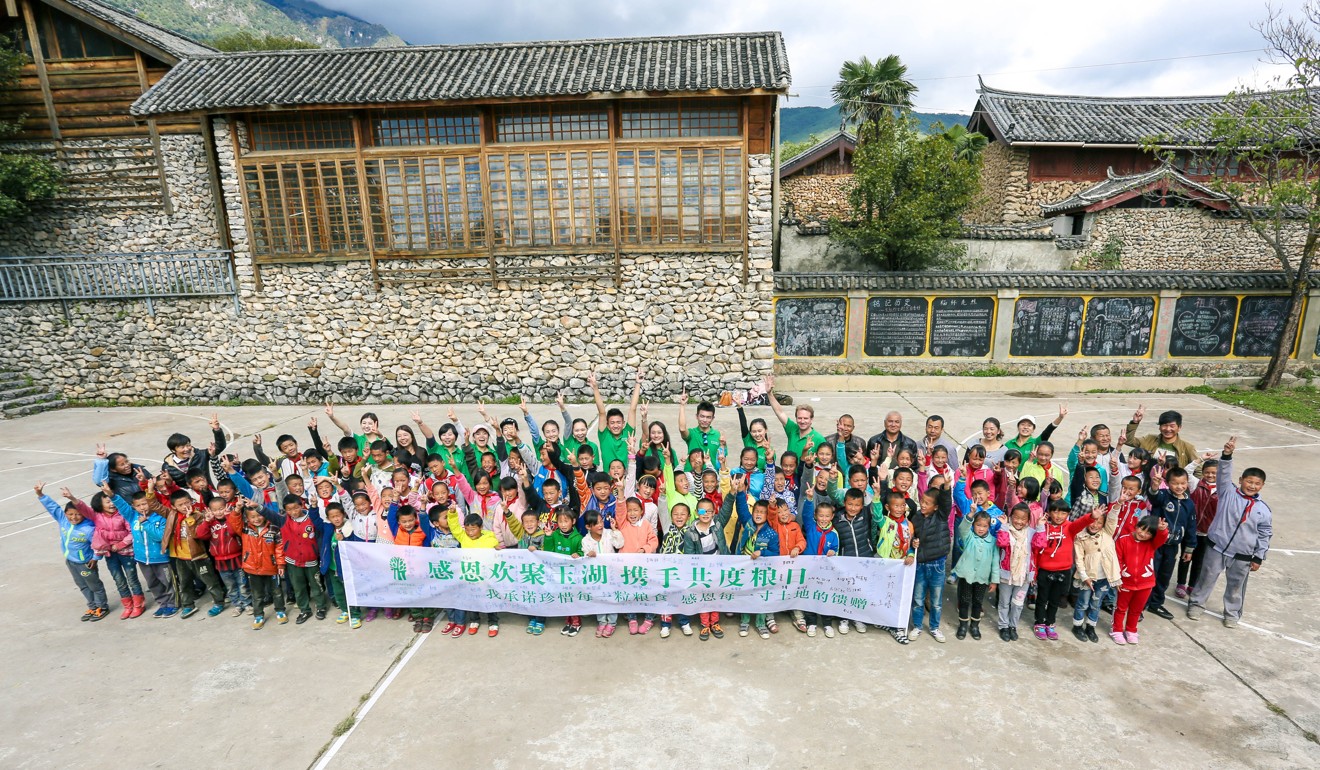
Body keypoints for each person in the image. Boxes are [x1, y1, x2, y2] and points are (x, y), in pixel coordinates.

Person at [1187, 437, 1272, 628]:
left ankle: (1231, 613)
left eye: (1257, 483)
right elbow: (1223, 474)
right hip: (1217, 547)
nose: (1252, 486)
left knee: (1236, 586)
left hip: (1242, 555)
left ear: (1262, 486)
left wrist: (1258, 557)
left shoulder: (1263, 509)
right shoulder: (1227, 493)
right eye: (1249, 481)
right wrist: (1227, 455)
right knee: (1206, 577)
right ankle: (1196, 604)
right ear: (1241, 480)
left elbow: (1265, 535)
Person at [36, 482, 108, 621]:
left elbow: (99, 544)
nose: (74, 517)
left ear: (84, 515)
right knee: (82, 585)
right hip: (71, 561)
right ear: (65, 514)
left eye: (78, 514)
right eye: (70, 514)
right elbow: (53, 507)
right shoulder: (63, 520)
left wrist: (95, 558)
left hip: (86, 563)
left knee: (94, 586)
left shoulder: (89, 528)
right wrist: (40, 494)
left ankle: (102, 607)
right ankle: (92, 606)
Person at [1031, 500, 1099, 641]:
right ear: (1049, 512)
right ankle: (1039, 623)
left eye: (1063, 512)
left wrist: (1092, 517)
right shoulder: (1043, 527)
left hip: (1063, 571)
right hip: (1045, 570)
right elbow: (1036, 548)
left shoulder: (1070, 528)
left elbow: (1081, 523)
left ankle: (1050, 623)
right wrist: (1035, 571)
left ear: (1068, 514)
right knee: (1042, 599)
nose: (1059, 515)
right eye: (1055, 511)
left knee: (1055, 600)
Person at [77, 485, 144, 619]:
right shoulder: (96, 516)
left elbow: (132, 533)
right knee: (119, 580)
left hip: (127, 553)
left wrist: (120, 544)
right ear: (99, 505)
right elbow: (82, 508)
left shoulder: (123, 515)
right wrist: (71, 498)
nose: (112, 504)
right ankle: (128, 605)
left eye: (112, 501)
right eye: (107, 502)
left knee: (132, 579)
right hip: (110, 554)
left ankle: (138, 604)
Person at [263, 494, 329, 625]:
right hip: (292, 561)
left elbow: (319, 526)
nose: (293, 512)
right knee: (298, 588)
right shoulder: (284, 520)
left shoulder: (311, 518)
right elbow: (269, 514)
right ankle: (305, 609)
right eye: (289, 509)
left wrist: (314, 506)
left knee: (316, 586)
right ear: (285, 510)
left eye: (295, 508)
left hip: (311, 560)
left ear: (301, 505)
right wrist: (257, 507)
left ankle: (321, 607)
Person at [162, 489, 227, 619]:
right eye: (180, 505)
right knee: (184, 582)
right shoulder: (172, 515)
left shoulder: (198, 516)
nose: (185, 506)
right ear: (174, 507)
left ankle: (219, 602)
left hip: (198, 556)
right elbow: (154, 505)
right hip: (180, 557)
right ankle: (188, 605)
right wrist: (150, 490)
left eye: (187, 502)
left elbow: (198, 534)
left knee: (210, 580)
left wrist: (189, 518)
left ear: (191, 501)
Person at [1144, 465, 1197, 621]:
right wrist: (1154, 485)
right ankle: (1141, 604)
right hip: (1155, 544)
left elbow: (1191, 527)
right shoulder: (1163, 496)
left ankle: (1156, 603)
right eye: (1175, 483)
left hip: (1172, 547)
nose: (1179, 487)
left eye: (1183, 483)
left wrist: (1189, 549)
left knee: (1164, 576)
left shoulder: (1189, 504)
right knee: (1149, 574)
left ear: (1187, 483)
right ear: (1167, 483)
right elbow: (1153, 497)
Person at [682, 496, 735, 640]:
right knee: (704, 596)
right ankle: (705, 625)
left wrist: (732, 493)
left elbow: (726, 509)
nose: (705, 514)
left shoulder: (717, 524)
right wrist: (695, 573)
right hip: (702, 571)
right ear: (696, 512)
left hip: (718, 569)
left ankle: (715, 623)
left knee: (715, 595)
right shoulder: (690, 532)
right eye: (702, 511)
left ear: (713, 513)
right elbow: (689, 555)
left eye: (709, 511)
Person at [1112, 515, 1170, 644]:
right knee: (1121, 608)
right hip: (1125, 583)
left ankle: (1131, 631)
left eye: (1148, 533)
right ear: (1136, 526)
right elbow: (1118, 560)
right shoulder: (1123, 540)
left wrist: (1162, 530)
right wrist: (1118, 578)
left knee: (1136, 610)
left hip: (1146, 584)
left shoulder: (1152, 544)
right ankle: (1116, 630)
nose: (1143, 534)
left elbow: (1162, 537)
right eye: (1142, 529)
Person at [872, 490, 918, 644]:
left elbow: (911, 545)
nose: (899, 509)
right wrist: (877, 496)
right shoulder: (884, 521)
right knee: (886, 594)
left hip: (902, 566)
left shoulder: (909, 525)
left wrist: (911, 554)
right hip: (886, 565)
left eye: (902, 506)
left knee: (899, 595)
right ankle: (886, 621)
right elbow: (877, 514)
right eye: (896, 506)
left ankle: (897, 627)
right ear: (888, 507)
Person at [1071, 500, 1120, 643]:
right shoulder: (1080, 537)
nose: (1095, 525)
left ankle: (1090, 627)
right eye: (1093, 521)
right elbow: (1079, 560)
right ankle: (1077, 626)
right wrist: (1084, 577)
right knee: (1083, 603)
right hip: (1088, 578)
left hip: (1104, 578)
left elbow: (1112, 517)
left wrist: (1118, 503)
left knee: (1096, 604)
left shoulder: (1107, 532)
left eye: (1099, 523)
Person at [232, 503, 286, 628]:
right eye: (252, 517)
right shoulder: (245, 528)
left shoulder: (274, 528)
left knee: (277, 591)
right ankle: (258, 615)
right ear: (247, 518)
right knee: (257, 594)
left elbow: (279, 548)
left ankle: (280, 611)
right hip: (252, 568)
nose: (256, 519)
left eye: (259, 516)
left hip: (271, 567)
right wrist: (237, 509)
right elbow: (234, 523)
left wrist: (281, 565)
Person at [909, 480, 951, 642]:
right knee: (918, 599)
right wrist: (914, 542)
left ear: (936, 507)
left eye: (927, 503)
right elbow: (913, 536)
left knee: (936, 601)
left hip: (938, 565)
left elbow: (946, 501)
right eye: (922, 502)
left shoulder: (940, 516)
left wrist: (946, 487)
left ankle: (934, 628)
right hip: (920, 564)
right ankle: (917, 626)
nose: (923, 505)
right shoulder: (917, 517)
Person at [311, 503, 364, 629]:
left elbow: (354, 547)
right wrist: (313, 507)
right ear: (328, 518)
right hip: (332, 568)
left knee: (350, 592)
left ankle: (355, 614)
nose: (336, 519)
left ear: (344, 515)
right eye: (332, 516)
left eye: (338, 515)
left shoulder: (349, 529)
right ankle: (345, 611)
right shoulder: (328, 528)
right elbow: (315, 520)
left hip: (345, 569)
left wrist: (344, 540)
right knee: (338, 592)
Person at [734, 498, 780, 639]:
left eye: (762, 512)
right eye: (756, 511)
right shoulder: (748, 524)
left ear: (767, 515)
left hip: (762, 572)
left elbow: (775, 554)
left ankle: (760, 624)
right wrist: (741, 491)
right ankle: (744, 621)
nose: (758, 514)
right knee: (746, 594)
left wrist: (762, 553)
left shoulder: (771, 534)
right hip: (745, 568)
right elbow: (741, 508)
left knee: (761, 596)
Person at [952, 511, 1000, 641]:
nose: (981, 528)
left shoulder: (993, 542)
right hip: (966, 576)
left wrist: (994, 581)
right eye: (978, 525)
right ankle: (962, 626)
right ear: (973, 525)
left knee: (978, 602)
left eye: (984, 526)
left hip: (982, 578)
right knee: (964, 601)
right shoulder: (969, 538)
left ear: (989, 527)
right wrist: (970, 515)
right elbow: (962, 528)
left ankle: (974, 626)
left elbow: (995, 563)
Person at [796, 499, 840, 637]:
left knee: (825, 596)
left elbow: (835, 548)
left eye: (827, 516)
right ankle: (812, 623)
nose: (824, 519)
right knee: (810, 596)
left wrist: (833, 552)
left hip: (825, 573)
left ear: (832, 517)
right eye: (821, 515)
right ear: (816, 516)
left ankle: (827, 624)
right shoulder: (810, 527)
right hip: (810, 570)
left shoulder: (834, 534)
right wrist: (809, 500)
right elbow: (806, 515)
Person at [1178, 457, 1219, 598]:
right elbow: (1186, 472)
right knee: (1185, 557)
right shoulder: (1196, 484)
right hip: (1191, 530)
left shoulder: (1223, 490)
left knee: (1199, 561)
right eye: (1207, 472)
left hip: (1207, 533)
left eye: (1214, 473)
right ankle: (1181, 583)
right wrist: (1200, 459)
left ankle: (1192, 585)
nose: (1210, 475)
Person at [994, 504, 1036, 642]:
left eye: (1023, 519)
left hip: (1023, 576)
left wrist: (1041, 528)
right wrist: (1004, 526)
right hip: (1007, 575)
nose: (1019, 521)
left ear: (1028, 520)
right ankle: (1003, 626)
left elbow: (1040, 546)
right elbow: (1002, 543)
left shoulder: (1031, 533)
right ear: (1011, 517)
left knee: (1018, 604)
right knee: (1004, 603)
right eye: (1016, 517)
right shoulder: (1006, 530)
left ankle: (1013, 626)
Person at [589, 368, 642, 471]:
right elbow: (602, 412)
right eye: (612, 423)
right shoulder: (604, 435)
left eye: (618, 422)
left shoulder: (628, 433)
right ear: (607, 425)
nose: (616, 425)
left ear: (623, 424)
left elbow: (633, 409)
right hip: (608, 480)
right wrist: (595, 388)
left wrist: (638, 383)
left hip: (626, 478)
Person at [544, 509, 585, 637]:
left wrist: (579, 554)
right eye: (560, 521)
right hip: (559, 573)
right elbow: (548, 550)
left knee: (573, 597)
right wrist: (549, 537)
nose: (563, 524)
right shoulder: (555, 535)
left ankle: (576, 622)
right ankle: (568, 621)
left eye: (566, 521)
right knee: (564, 597)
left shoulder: (578, 537)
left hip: (572, 574)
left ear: (573, 521)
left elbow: (583, 552)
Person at [766, 378, 825, 460]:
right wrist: (769, 393)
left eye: (806, 418)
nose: (802, 421)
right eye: (799, 418)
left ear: (811, 419)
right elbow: (780, 412)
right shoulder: (792, 429)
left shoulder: (819, 439)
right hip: (788, 471)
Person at [1124, 406, 1199, 468]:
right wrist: (1135, 422)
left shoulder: (1188, 448)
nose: (1168, 429)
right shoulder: (1149, 439)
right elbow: (1128, 441)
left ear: (1179, 427)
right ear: (1159, 427)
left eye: (1172, 426)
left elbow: (1198, 469)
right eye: (1164, 425)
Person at [677, 391, 722, 472]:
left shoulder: (718, 435)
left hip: (710, 477)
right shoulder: (692, 433)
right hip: (692, 474)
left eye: (708, 417)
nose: (705, 420)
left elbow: (722, 456)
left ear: (713, 418)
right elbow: (682, 429)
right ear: (697, 416)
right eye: (702, 416)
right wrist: (682, 405)